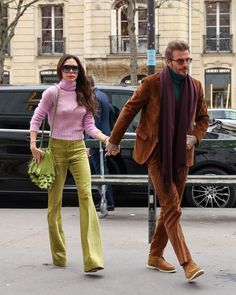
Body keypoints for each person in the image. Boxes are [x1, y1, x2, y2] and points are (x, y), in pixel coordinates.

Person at [105, 40, 209, 281]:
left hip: (182, 155)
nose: (185, 65)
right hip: (156, 152)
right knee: (173, 207)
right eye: (180, 61)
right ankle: (188, 262)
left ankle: (154, 256)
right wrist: (114, 140)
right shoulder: (151, 84)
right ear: (168, 62)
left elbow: (203, 118)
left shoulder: (196, 86)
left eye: (188, 60)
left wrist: (195, 136)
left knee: (169, 208)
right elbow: (128, 110)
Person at [29, 54, 109, 273]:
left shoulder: (84, 94)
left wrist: (105, 139)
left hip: (77, 148)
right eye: (67, 68)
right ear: (60, 70)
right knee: (54, 202)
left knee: (86, 196)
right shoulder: (52, 92)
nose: (71, 72)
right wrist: (34, 145)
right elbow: (37, 118)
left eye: (74, 68)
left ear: (79, 72)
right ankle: (59, 255)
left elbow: (89, 126)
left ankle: (92, 259)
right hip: (55, 150)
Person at [87, 76, 115, 212]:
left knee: (101, 172)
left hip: (97, 141)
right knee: (102, 171)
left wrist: (89, 143)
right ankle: (107, 200)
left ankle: (107, 201)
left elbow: (94, 123)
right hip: (104, 136)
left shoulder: (94, 98)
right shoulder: (102, 94)